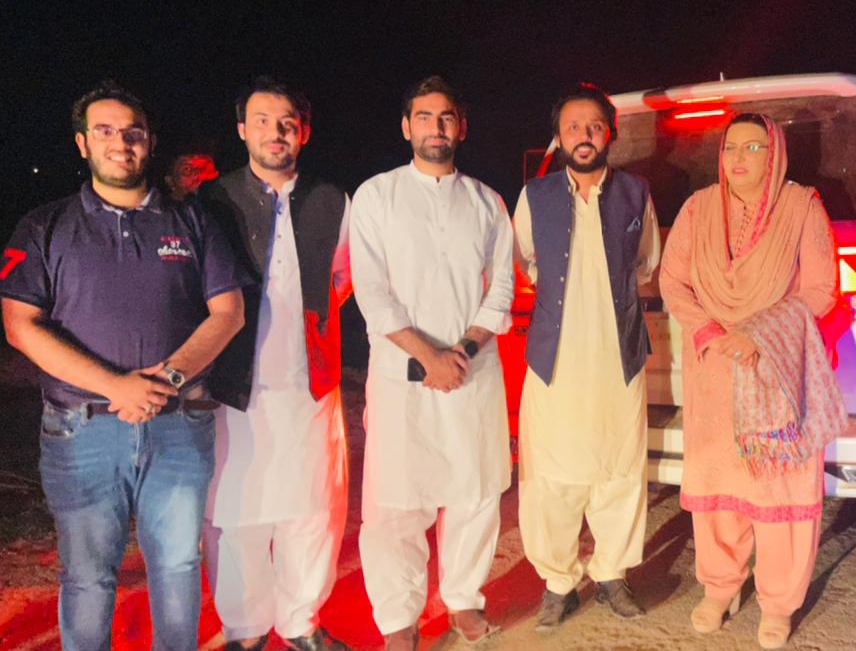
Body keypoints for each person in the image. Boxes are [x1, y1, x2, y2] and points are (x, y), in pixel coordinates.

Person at [0, 80, 247, 650]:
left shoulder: (192, 223)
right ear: (83, 143)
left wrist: (166, 381)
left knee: (178, 565)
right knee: (87, 576)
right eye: (105, 131)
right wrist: (117, 385)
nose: (121, 143)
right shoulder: (43, 226)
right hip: (80, 431)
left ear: (150, 142)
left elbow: (228, 313)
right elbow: (19, 325)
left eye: (133, 132)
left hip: (178, 425)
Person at [659, 113, 847, 650]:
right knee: (719, 486)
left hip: (775, 369)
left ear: (775, 153)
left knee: (779, 485)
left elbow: (821, 289)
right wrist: (708, 330)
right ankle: (720, 588)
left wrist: (758, 334)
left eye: (753, 147)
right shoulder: (698, 208)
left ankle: (779, 602)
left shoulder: (801, 206)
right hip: (714, 368)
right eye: (730, 148)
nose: (738, 158)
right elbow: (672, 279)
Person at [350, 75, 514, 651]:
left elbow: (501, 289)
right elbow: (372, 292)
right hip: (402, 373)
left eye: (446, 117)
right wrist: (428, 356)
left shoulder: (487, 201)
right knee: (397, 500)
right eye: (424, 116)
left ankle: (463, 598)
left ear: (461, 127)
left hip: (473, 369)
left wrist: (460, 352)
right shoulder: (376, 196)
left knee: (475, 490)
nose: (435, 127)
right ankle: (399, 617)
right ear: (406, 127)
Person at [199, 76, 351, 651]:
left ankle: (301, 621)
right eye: (262, 120)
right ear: (242, 130)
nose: (275, 132)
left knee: (313, 509)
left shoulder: (332, 199)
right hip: (234, 383)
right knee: (237, 511)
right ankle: (244, 628)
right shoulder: (212, 202)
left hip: (310, 381)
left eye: (287, 122)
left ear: (303, 132)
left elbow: (344, 276)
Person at [512, 82, 660, 628]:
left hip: (619, 356)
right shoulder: (536, 196)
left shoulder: (636, 193)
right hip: (554, 359)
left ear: (609, 134)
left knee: (620, 469)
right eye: (573, 127)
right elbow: (522, 260)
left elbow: (646, 263)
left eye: (594, 126)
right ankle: (558, 581)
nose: (584, 136)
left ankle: (612, 574)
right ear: (558, 136)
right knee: (550, 475)